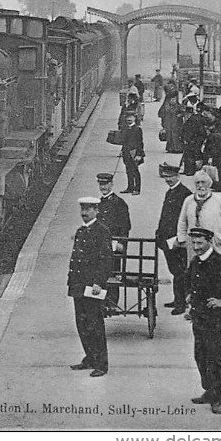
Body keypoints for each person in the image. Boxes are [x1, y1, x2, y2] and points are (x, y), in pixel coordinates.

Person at [186, 226, 221, 415]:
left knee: (214, 357)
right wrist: (189, 298)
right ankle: (209, 391)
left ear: (209, 242)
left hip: (214, 319)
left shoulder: (220, 262)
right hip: (198, 317)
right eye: (193, 243)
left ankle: (217, 398)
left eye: (199, 243)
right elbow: (190, 282)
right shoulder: (195, 261)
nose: (196, 247)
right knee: (200, 355)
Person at [67, 197, 111, 377]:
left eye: (88, 209)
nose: (84, 213)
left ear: (96, 211)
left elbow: (106, 260)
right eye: (83, 210)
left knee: (95, 324)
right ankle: (90, 357)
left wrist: (98, 283)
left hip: (91, 286)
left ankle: (101, 363)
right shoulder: (81, 231)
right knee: (82, 323)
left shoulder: (102, 231)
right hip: (78, 285)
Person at [156, 162, 193, 315]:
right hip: (167, 239)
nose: (168, 179)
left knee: (179, 271)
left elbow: (187, 218)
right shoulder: (170, 192)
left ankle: (181, 303)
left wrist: (181, 238)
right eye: (166, 177)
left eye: (171, 176)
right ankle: (179, 298)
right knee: (175, 270)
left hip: (177, 241)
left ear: (178, 176)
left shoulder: (185, 194)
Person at [177, 171, 221, 259]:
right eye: (197, 182)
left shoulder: (218, 200)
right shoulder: (188, 200)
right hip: (194, 246)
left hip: (215, 245)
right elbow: (182, 221)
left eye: (203, 182)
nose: (200, 185)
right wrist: (182, 239)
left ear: (209, 184)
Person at [96, 172, 131, 309]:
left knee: (114, 273)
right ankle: (100, 301)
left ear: (111, 184)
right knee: (100, 272)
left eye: (105, 184)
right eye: (101, 184)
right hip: (100, 245)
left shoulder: (119, 203)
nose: (103, 187)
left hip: (114, 244)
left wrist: (122, 243)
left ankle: (112, 302)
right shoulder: (98, 203)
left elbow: (125, 226)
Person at [201, 114, 221, 192]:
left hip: (219, 156)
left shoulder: (212, 136)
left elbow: (209, 149)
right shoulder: (218, 134)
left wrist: (208, 158)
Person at [180, 98, 206, 176]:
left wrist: (187, 139)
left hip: (192, 139)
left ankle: (189, 170)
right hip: (196, 139)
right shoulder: (198, 118)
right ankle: (189, 169)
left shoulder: (193, 119)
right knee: (191, 154)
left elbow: (189, 130)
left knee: (189, 155)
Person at [121, 112, 145, 194]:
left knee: (135, 171)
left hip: (134, 152)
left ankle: (137, 189)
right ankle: (130, 187)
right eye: (127, 117)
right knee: (128, 170)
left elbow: (140, 142)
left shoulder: (137, 129)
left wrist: (139, 154)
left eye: (131, 117)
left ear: (134, 118)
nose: (129, 119)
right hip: (126, 152)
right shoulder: (125, 128)